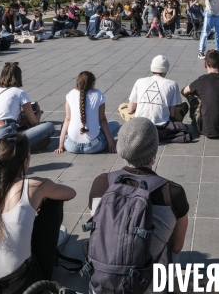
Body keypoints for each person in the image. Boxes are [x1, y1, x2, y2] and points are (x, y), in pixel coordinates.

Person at [0, 133, 76, 293]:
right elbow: (70, 193)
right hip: (22, 286)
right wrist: (41, 192)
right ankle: (50, 239)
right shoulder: (35, 186)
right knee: (54, 201)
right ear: (25, 162)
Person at [88, 117, 189, 272]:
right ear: (154, 150)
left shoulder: (101, 183)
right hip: (146, 283)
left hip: (102, 281)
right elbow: (177, 246)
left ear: (121, 148)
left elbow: (97, 227)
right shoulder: (172, 191)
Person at [0, 62, 55, 151]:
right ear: (18, 77)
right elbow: (34, 122)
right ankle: (20, 148)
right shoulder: (19, 92)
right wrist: (38, 113)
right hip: (4, 141)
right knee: (49, 126)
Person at [122, 55, 192, 143]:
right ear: (166, 69)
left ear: (152, 68)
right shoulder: (172, 84)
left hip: (140, 124)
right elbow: (172, 113)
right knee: (182, 105)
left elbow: (131, 108)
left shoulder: (139, 81)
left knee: (122, 106)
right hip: (162, 125)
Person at [181, 50, 219, 138]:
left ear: (205, 64)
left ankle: (196, 120)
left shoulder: (201, 80)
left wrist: (200, 99)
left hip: (206, 129)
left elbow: (183, 91)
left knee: (191, 95)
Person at [55, 71, 118, 154]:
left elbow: (67, 119)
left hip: (71, 146)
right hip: (94, 146)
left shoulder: (71, 94)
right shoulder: (98, 94)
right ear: (93, 83)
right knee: (115, 124)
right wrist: (111, 144)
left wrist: (60, 145)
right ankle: (105, 139)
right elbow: (102, 120)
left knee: (65, 122)